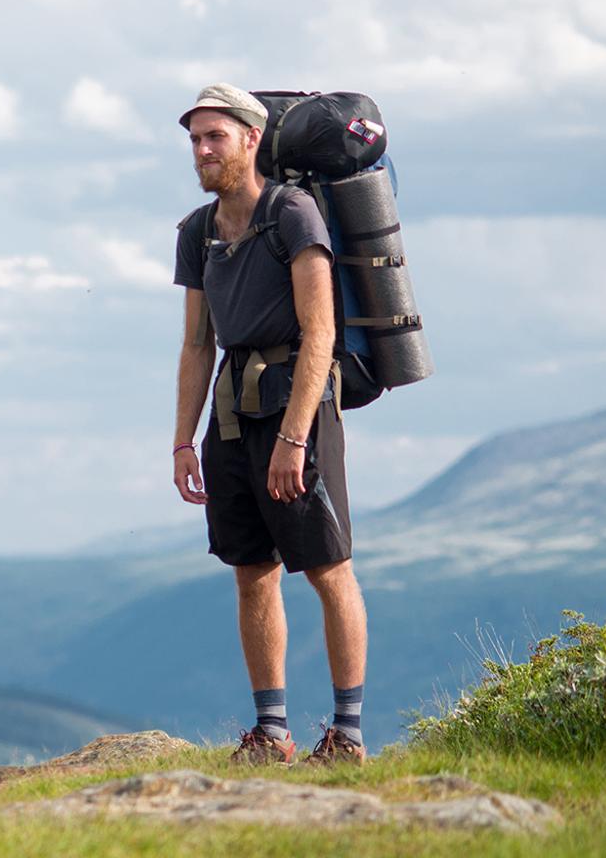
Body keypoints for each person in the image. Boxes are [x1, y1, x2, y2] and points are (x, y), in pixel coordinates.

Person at [170, 83, 369, 765]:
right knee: (251, 569)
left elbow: (321, 332)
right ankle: (272, 734)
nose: (202, 150)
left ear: (251, 139)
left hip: (297, 405)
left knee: (328, 568)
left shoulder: (293, 213)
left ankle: (348, 736)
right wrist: (182, 440)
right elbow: (197, 344)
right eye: (195, 139)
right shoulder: (197, 231)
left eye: (214, 137)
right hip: (231, 414)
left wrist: (294, 435)